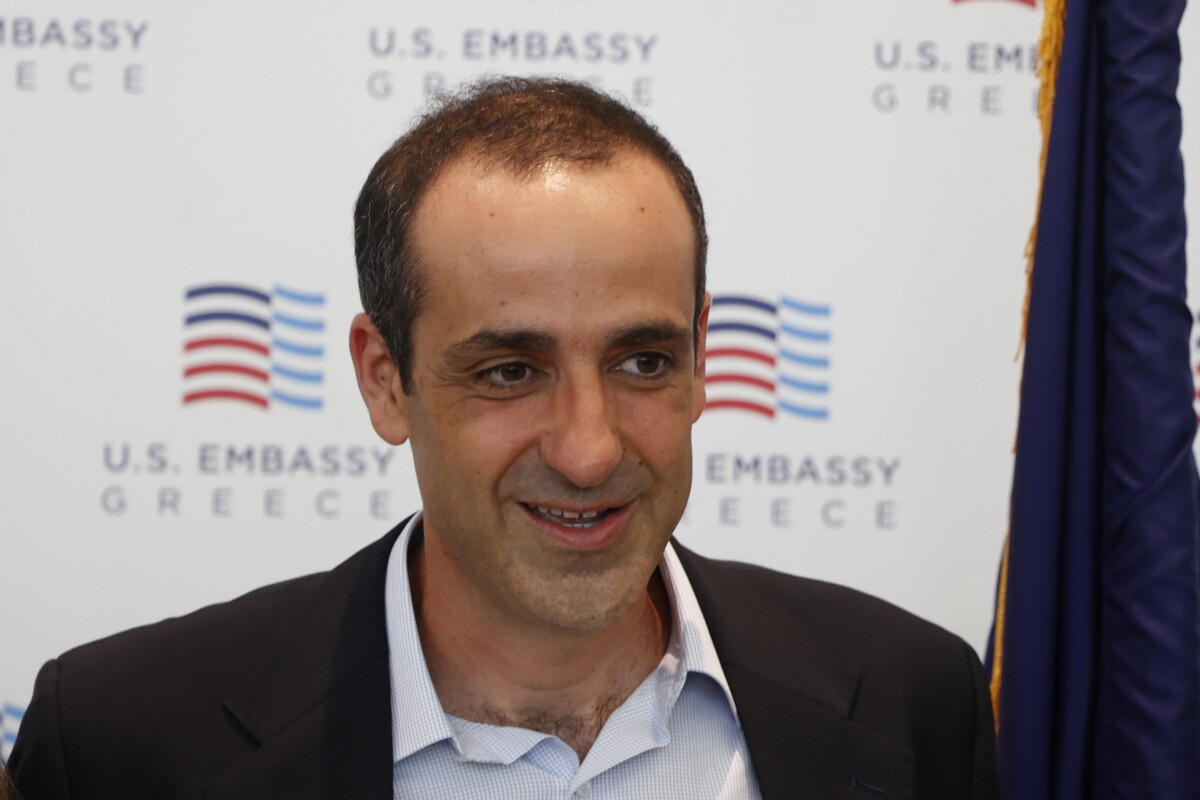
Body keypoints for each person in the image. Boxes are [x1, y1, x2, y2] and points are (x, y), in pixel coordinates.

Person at [8, 77, 999, 798]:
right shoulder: (117, 743)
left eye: (642, 360)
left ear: (703, 360)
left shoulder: (911, 700)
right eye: (509, 371)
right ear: (384, 379)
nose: (588, 449)